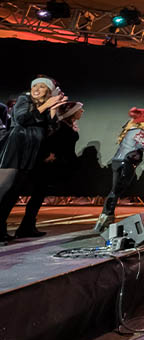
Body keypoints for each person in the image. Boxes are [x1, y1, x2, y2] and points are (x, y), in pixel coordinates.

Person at [1, 77, 67, 244]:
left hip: (32, 152)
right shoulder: (24, 99)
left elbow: (51, 128)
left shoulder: (44, 105)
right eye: (35, 85)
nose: (37, 88)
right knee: (5, 188)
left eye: (42, 86)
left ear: (48, 91)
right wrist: (46, 105)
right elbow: (22, 119)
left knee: (14, 192)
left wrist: (53, 109)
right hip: (17, 147)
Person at [18, 100, 83, 238]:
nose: (82, 112)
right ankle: (26, 226)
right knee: (37, 194)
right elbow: (49, 141)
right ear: (72, 112)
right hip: (47, 165)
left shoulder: (68, 125)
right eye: (80, 109)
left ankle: (27, 225)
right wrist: (47, 155)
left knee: (39, 195)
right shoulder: (59, 126)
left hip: (57, 163)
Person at [95, 108, 144, 233]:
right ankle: (105, 218)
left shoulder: (130, 130)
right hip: (125, 163)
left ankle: (106, 217)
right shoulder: (138, 131)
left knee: (115, 190)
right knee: (116, 191)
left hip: (118, 162)